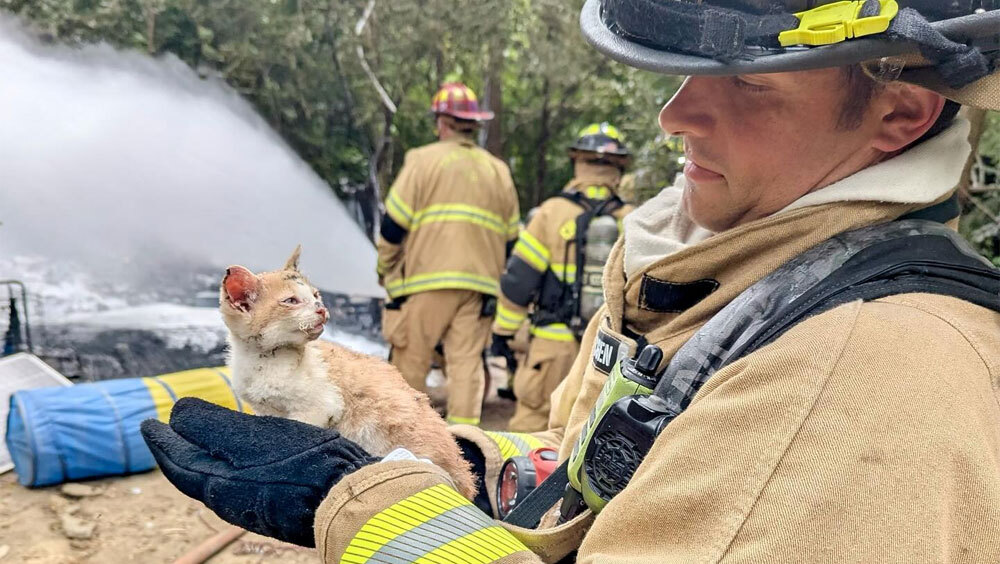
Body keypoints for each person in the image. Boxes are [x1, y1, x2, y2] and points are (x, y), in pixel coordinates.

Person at [143, 2, 1000, 562]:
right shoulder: (723, 268)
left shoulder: (856, 378)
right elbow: (602, 470)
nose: (675, 115)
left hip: (462, 309)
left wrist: (360, 497)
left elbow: (414, 237)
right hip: (498, 317)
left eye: (747, 83)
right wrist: (460, 461)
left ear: (901, 114)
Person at [376, 82, 520, 426]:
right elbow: (513, 240)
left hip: (427, 281)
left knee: (412, 358)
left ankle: (405, 432)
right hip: (480, 287)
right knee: (466, 363)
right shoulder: (498, 170)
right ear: (473, 124)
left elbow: (393, 226)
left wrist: (386, 266)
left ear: (441, 121)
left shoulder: (422, 161)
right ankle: (464, 442)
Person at [491, 123, 633, 431]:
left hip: (551, 347)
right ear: (619, 167)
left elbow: (518, 282)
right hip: (608, 352)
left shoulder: (551, 212)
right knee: (591, 435)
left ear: (578, 161)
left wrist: (503, 331)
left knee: (532, 430)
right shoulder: (635, 220)